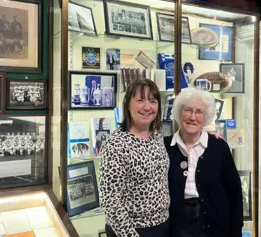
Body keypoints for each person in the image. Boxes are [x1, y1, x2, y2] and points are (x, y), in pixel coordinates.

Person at [165, 87, 243, 237]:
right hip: (177, 227)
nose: (192, 117)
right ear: (179, 113)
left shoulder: (219, 147)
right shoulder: (165, 147)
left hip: (215, 227)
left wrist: (235, 231)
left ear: (206, 117)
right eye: (188, 110)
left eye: (199, 112)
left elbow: (235, 194)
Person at [99, 79, 170, 237]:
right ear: (128, 104)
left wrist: (206, 134)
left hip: (164, 225)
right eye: (140, 100)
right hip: (132, 230)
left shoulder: (157, 136)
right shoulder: (115, 145)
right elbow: (110, 202)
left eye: (153, 101)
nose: (147, 107)